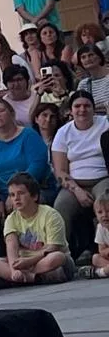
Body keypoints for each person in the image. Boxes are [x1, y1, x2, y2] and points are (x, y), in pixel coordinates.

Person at [0, 98, 56, 257]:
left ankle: (37, 254)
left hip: (33, 189)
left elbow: (37, 166)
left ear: (12, 113)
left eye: (1, 110)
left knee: (24, 201)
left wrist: (15, 194)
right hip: (1, 193)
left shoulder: (29, 135)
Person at [0, 173, 71, 286]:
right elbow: (11, 246)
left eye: (21, 193)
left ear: (34, 196)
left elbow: (53, 248)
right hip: (22, 262)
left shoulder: (50, 215)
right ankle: (33, 278)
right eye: (12, 195)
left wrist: (29, 262)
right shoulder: (11, 219)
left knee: (57, 257)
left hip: (45, 259)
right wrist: (14, 269)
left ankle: (15, 279)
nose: (16, 198)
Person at [51, 91, 109, 255]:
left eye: (86, 106)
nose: (82, 110)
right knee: (61, 206)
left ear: (93, 108)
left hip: (102, 178)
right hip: (74, 183)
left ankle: (104, 252)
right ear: (70, 110)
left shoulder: (105, 123)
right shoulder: (63, 132)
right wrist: (76, 190)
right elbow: (60, 171)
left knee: (105, 204)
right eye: (77, 106)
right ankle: (62, 255)